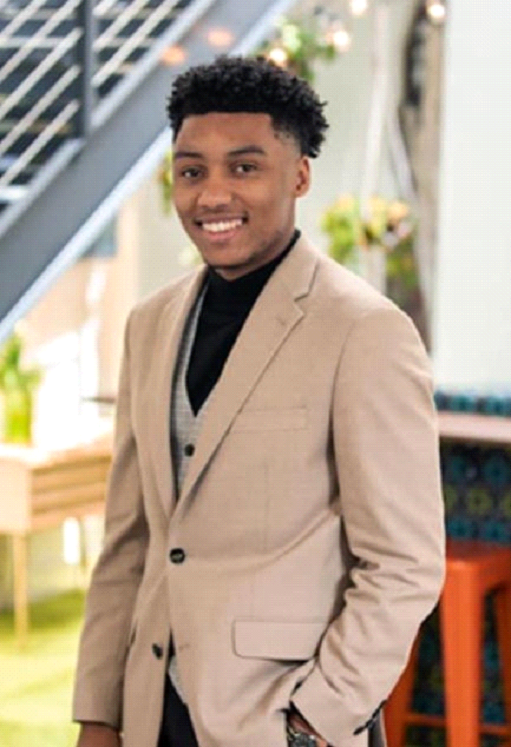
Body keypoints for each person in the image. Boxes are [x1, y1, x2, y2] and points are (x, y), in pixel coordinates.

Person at [73, 55, 445, 747]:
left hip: (277, 717)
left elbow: (402, 562)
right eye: (191, 170)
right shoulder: (149, 323)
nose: (212, 193)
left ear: (298, 174)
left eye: (243, 167)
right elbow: (130, 542)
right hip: (153, 709)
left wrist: (317, 718)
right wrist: (100, 711)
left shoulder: (365, 331)